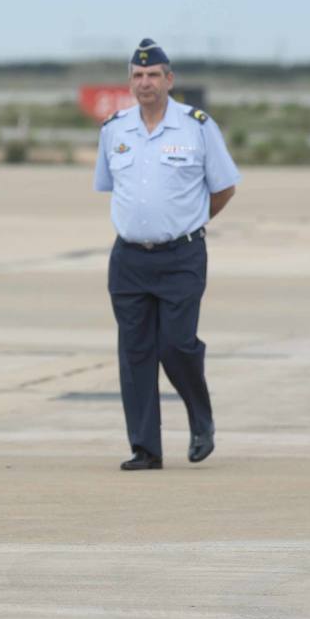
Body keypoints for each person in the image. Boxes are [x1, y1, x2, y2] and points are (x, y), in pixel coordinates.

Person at [94, 38, 240, 471]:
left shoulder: (196, 125)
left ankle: (201, 419)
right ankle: (145, 448)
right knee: (135, 352)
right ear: (130, 81)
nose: (145, 82)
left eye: (153, 75)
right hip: (129, 259)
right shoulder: (115, 129)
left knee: (176, 344)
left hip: (182, 256)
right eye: (137, 75)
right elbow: (109, 186)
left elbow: (225, 186)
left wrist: (191, 220)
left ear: (169, 79)